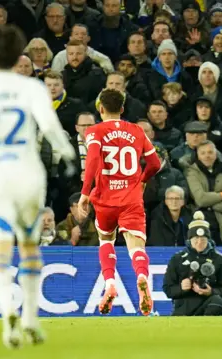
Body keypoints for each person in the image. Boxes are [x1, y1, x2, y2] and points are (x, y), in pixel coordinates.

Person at [0, 25, 76, 348]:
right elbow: (51, 127)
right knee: (31, 246)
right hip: (28, 174)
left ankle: (8, 317)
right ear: (19, 53)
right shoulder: (31, 88)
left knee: (1, 249)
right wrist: (67, 153)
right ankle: (32, 318)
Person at [77, 88, 162, 317]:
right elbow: (154, 163)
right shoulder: (136, 131)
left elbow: (94, 158)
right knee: (136, 247)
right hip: (131, 198)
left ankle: (110, 284)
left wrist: (85, 192)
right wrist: (142, 181)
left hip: (104, 199)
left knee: (106, 240)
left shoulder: (94, 131)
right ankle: (142, 278)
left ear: (100, 108)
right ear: (123, 109)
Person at [162, 211, 222, 316]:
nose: (199, 242)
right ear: (190, 239)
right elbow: (168, 289)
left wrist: (211, 291)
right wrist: (181, 288)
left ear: (208, 239)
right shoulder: (177, 259)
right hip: (183, 306)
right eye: (196, 239)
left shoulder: (219, 259)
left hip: (208, 302)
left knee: (217, 302)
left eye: (203, 239)